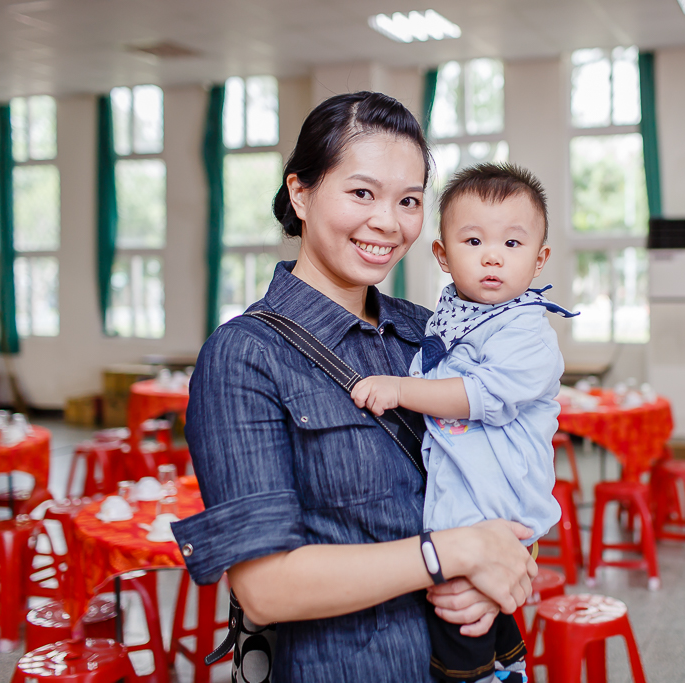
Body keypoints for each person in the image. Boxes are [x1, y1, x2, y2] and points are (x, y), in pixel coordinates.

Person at [172, 92, 537, 682]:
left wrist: (508, 563)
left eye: (410, 200)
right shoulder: (245, 356)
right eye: (362, 193)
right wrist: (455, 552)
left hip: (461, 662)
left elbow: (509, 464)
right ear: (301, 192)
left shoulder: (430, 331)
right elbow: (264, 588)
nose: (388, 223)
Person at [352, 163, 573, 683]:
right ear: (443, 255)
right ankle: (507, 659)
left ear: (540, 260)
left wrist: (401, 389)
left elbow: (480, 395)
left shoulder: (527, 333)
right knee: (471, 615)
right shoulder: (447, 317)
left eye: (513, 244)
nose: (492, 255)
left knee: (457, 624)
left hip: (495, 504)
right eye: (473, 240)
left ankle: (478, 672)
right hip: (463, 501)